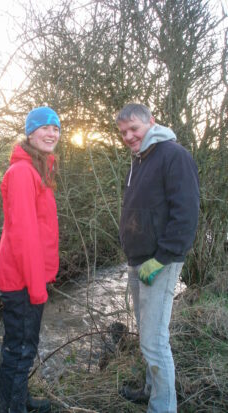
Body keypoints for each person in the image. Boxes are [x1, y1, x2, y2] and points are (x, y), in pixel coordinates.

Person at [116, 103, 199, 413]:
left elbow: (186, 214)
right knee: (146, 335)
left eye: (134, 129)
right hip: (138, 259)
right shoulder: (139, 160)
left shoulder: (174, 156)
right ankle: (151, 391)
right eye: (123, 132)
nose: (129, 136)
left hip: (159, 262)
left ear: (151, 122)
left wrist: (162, 257)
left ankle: (162, 407)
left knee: (154, 340)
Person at [0, 106, 61, 413]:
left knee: (23, 346)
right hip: (21, 278)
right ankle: (11, 408)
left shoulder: (38, 170)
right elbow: (25, 236)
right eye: (45, 128)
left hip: (29, 276)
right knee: (20, 349)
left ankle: (16, 400)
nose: (51, 133)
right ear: (30, 133)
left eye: (56, 129)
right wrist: (37, 286)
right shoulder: (22, 173)